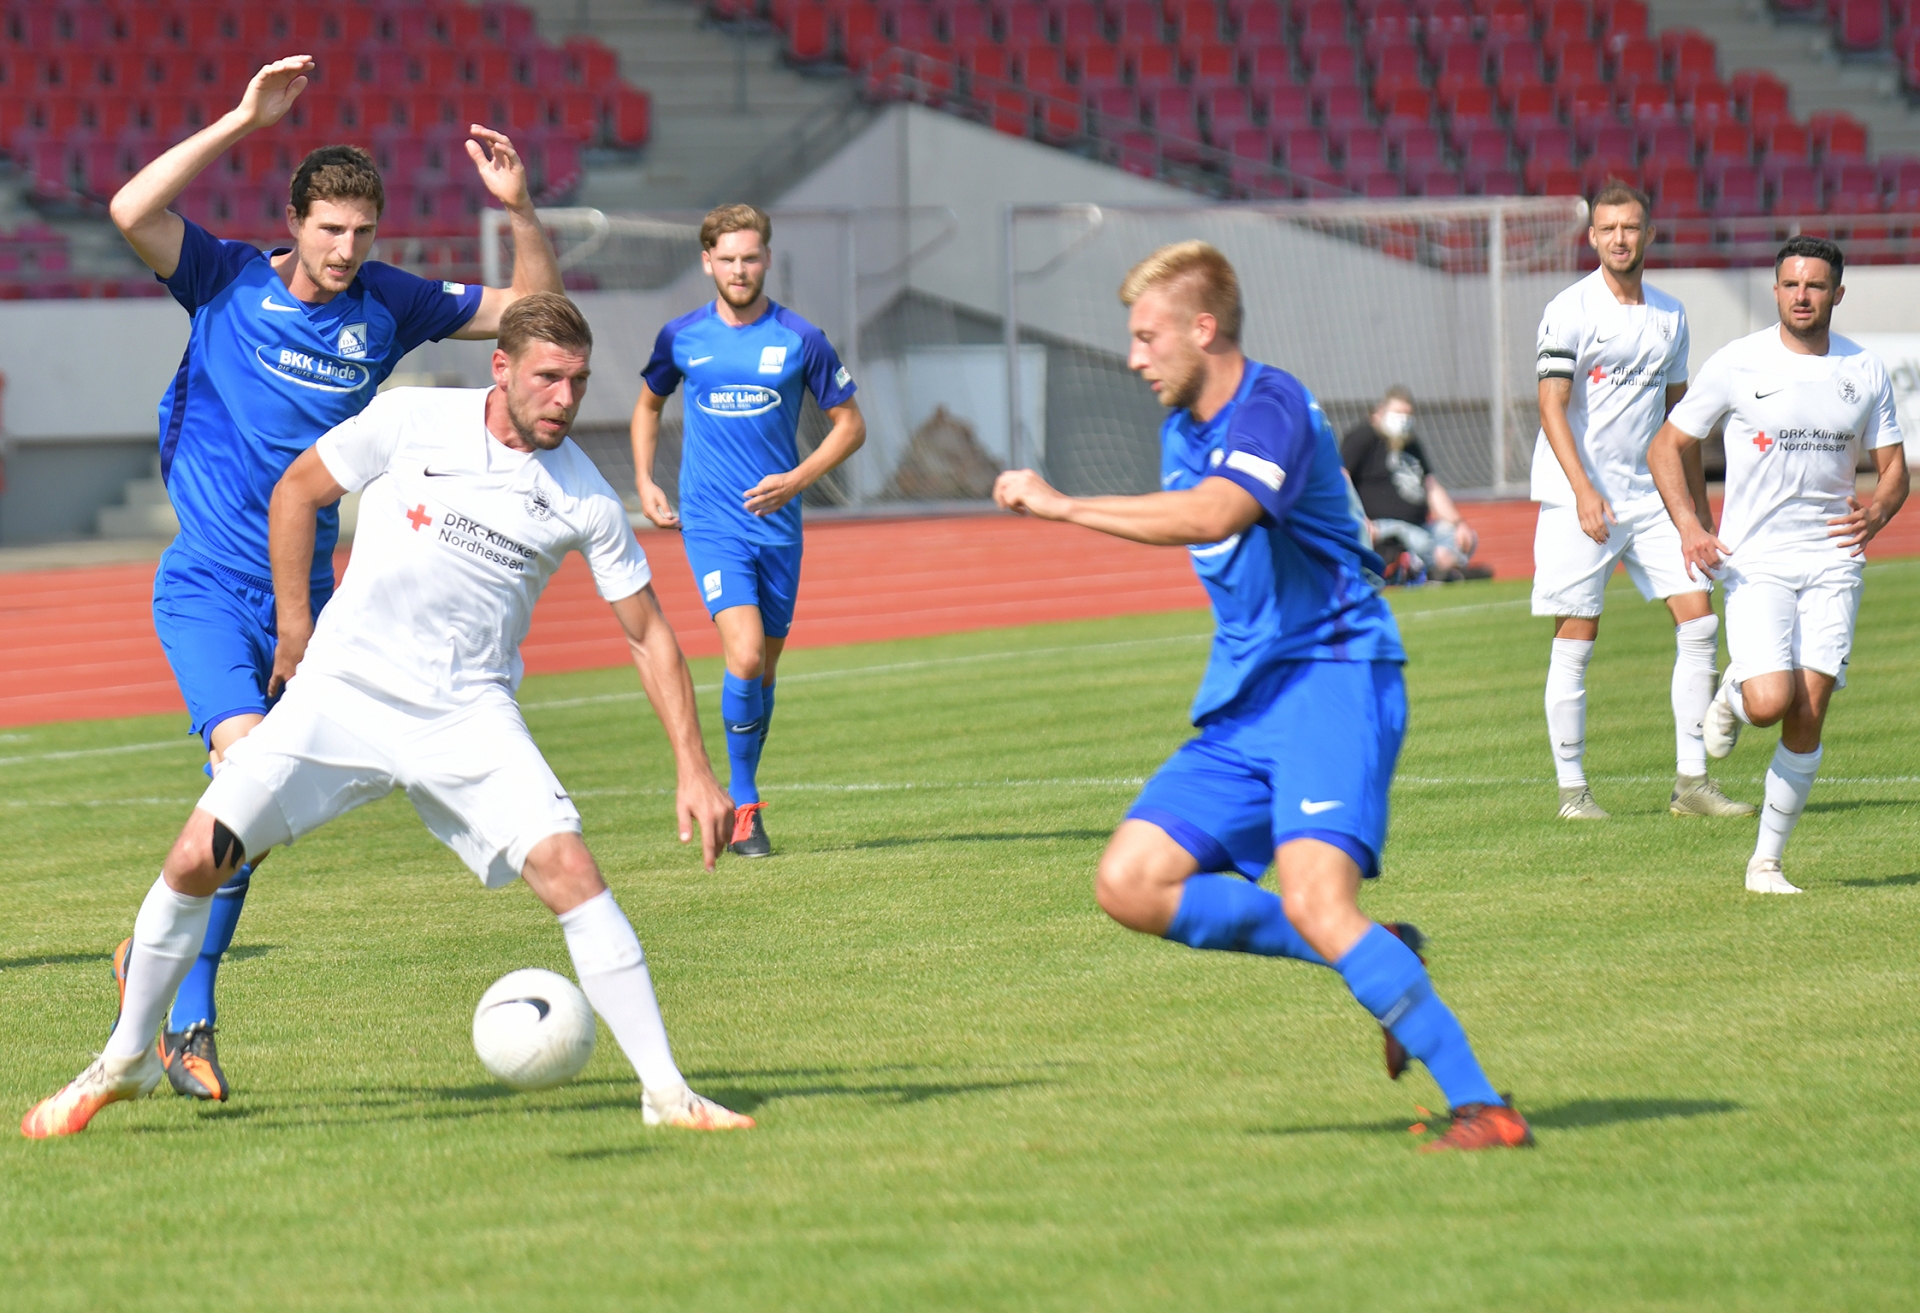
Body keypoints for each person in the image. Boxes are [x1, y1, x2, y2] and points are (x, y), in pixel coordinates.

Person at [23, 295, 751, 1139]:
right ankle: (125, 1059)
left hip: (465, 713)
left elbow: (650, 634)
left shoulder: (581, 494)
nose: (566, 397)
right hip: (342, 692)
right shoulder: (410, 419)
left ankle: (668, 1094)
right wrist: (295, 628)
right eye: (549, 377)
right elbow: (299, 489)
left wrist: (694, 767)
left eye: (580, 381)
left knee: (572, 873)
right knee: (195, 858)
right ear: (502, 369)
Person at [992, 242, 1532, 1152]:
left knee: (1320, 901)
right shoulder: (1180, 432)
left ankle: (1484, 1105)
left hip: (1334, 676)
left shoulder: (1273, 404)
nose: (1134, 358)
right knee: (1129, 882)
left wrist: (1063, 505)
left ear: (1204, 330)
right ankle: (1381, 948)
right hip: (1248, 703)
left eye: (1145, 336)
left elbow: (1214, 516)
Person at [106, 55, 563, 1101]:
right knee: (245, 768)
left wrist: (522, 207)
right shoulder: (221, 278)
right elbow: (130, 204)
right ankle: (190, 1014)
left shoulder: (388, 305)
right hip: (212, 589)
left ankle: (154, 961)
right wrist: (239, 114)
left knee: (248, 820)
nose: (346, 250)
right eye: (329, 230)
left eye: (362, 233)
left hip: (312, 597)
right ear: (295, 221)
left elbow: (534, 314)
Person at [1648, 237, 1907, 895]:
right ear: (1775, 290)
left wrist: (1877, 512)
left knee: (1809, 711)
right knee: (1771, 702)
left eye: (1815, 285)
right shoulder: (1738, 362)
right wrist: (1690, 524)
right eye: (1791, 284)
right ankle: (1734, 692)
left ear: (1837, 294)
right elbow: (1668, 444)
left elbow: (1895, 471)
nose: (1802, 295)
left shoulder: (1865, 370)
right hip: (1756, 560)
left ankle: (1765, 863)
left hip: (1834, 560)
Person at [629, 204, 866, 859]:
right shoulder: (682, 336)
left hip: (779, 526)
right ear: (707, 261)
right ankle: (745, 806)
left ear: (766, 259)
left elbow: (851, 424)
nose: (739, 269)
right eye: (727, 258)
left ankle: (743, 790)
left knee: (764, 670)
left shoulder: (801, 339)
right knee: (744, 654)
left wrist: (797, 480)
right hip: (711, 521)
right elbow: (648, 404)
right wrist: (647, 480)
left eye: (750, 257)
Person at [1531, 182, 1751, 823]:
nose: (1620, 238)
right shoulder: (1569, 309)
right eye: (1608, 229)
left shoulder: (1671, 315)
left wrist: (1696, 516)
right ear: (1592, 237)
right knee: (1577, 637)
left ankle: (1691, 785)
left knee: (1701, 623)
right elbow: (1549, 406)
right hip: (1579, 500)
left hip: (1651, 499)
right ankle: (1574, 793)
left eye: (1631, 227)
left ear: (1649, 234)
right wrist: (1582, 491)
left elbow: (1680, 422)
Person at [1340, 386, 1488, 582]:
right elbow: (1341, 475)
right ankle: (1436, 569)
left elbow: (1431, 487)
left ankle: (1434, 569)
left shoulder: (1412, 444)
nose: (1403, 419)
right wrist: (1358, 517)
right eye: (1398, 413)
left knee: (1458, 537)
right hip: (1382, 526)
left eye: (1408, 414)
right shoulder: (1364, 436)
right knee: (1420, 541)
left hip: (1419, 526)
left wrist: (1459, 524)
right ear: (1381, 411)